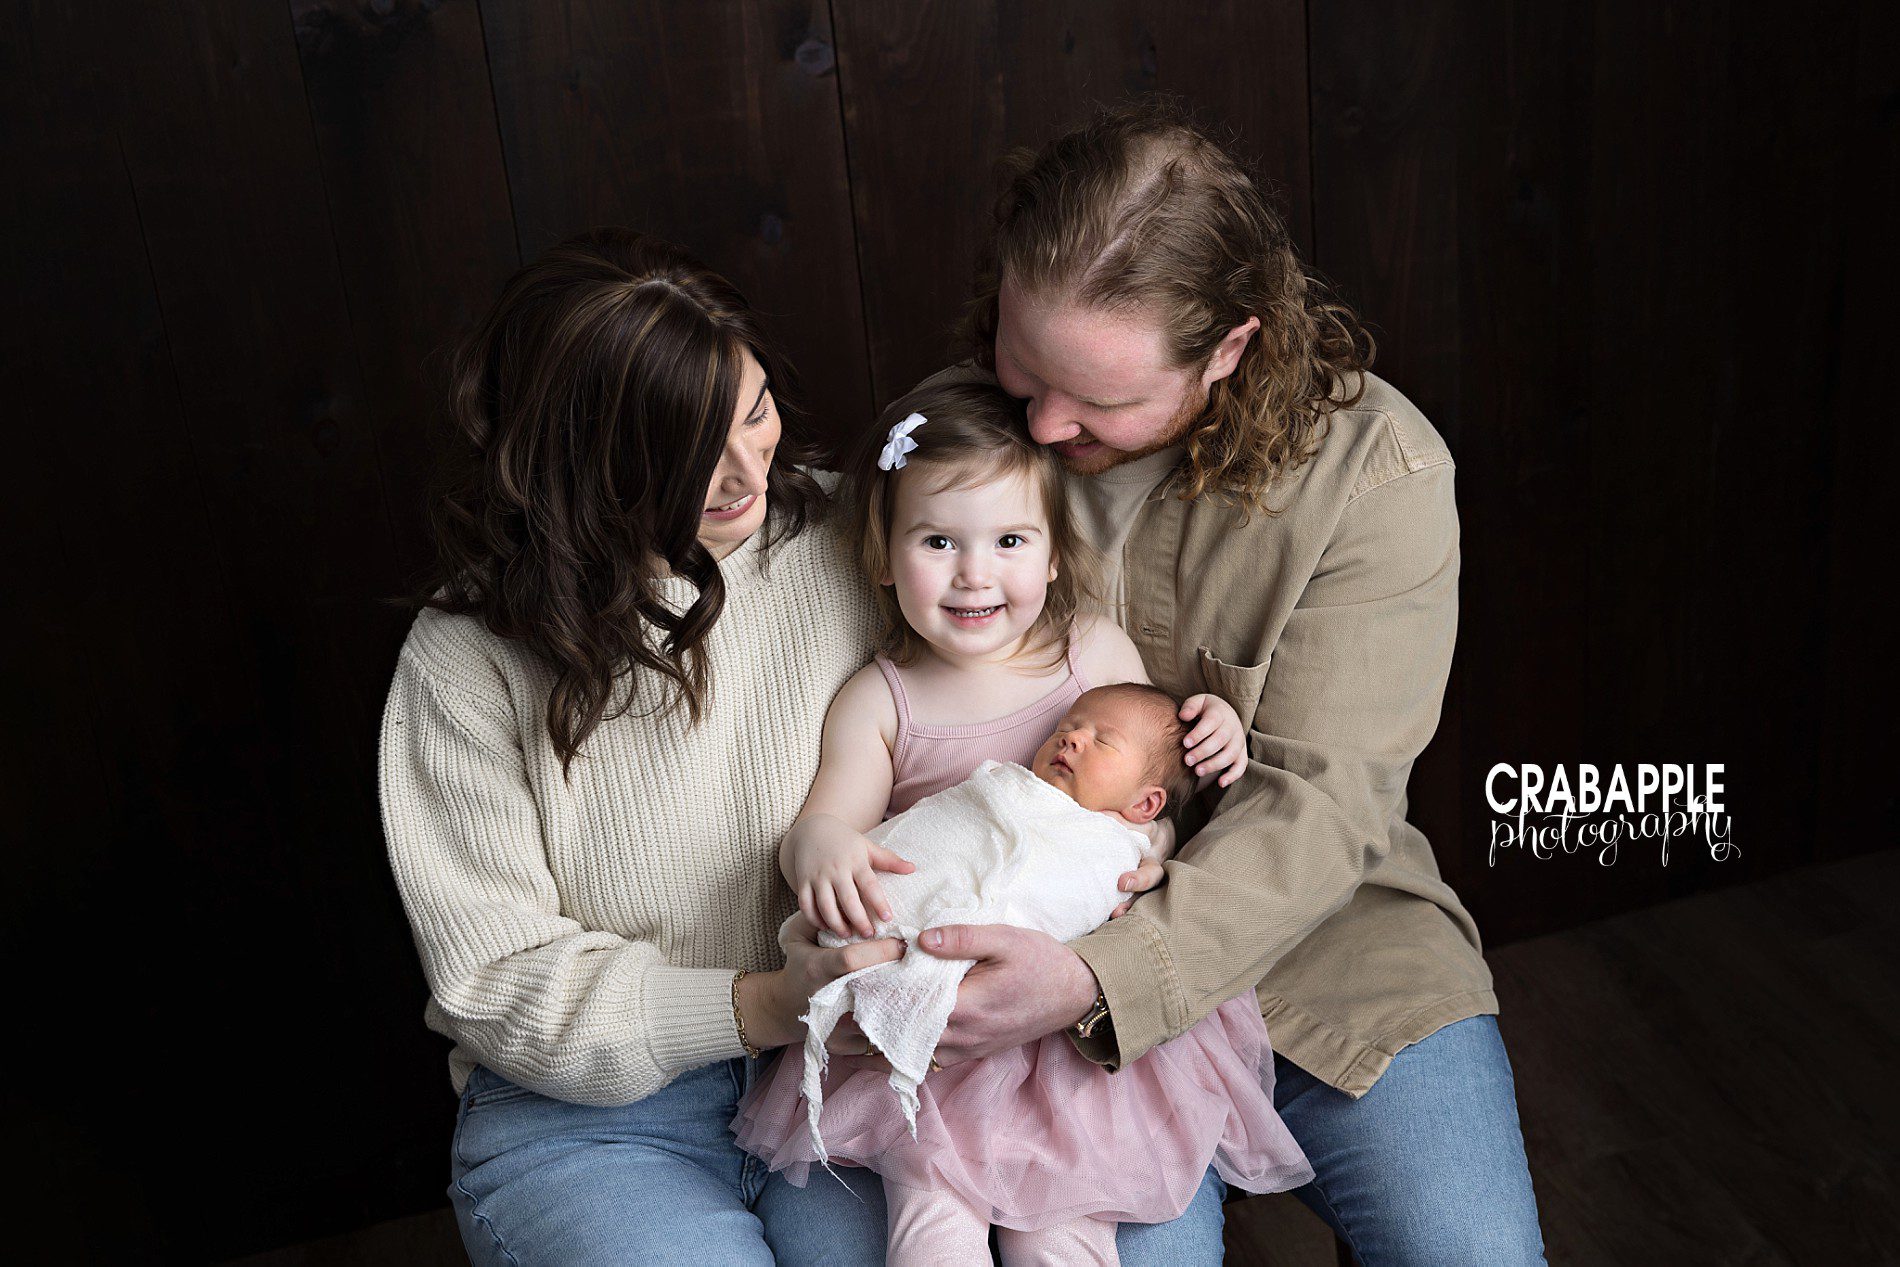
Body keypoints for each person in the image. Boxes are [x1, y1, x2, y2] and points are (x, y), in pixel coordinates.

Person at [880, 98, 1549, 1262]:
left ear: (1231, 347)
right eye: (1022, 362)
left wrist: (1097, 976)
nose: (1042, 421)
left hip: (1327, 949)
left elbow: (1323, 809)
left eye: (1098, 402)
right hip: (1032, 945)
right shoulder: (965, 455)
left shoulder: (1375, 472)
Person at [376, 228, 900, 1265]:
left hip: (842, 1078)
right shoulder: (466, 653)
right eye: (686, 447)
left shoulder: (863, 539)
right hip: (585, 1117)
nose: (746, 470)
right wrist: (757, 1004)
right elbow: (494, 976)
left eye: (755, 412)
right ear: (577, 458)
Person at [730, 384, 1307, 1264]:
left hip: (1075, 1026)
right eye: (937, 542)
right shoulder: (883, 699)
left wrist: (1207, 736)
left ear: (1048, 555)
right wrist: (819, 845)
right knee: (932, 1220)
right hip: (943, 1032)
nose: (975, 573)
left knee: (1065, 1227)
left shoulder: (1091, 653)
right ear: (883, 556)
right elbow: (827, 823)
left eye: (1009, 541)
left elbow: (1154, 773)